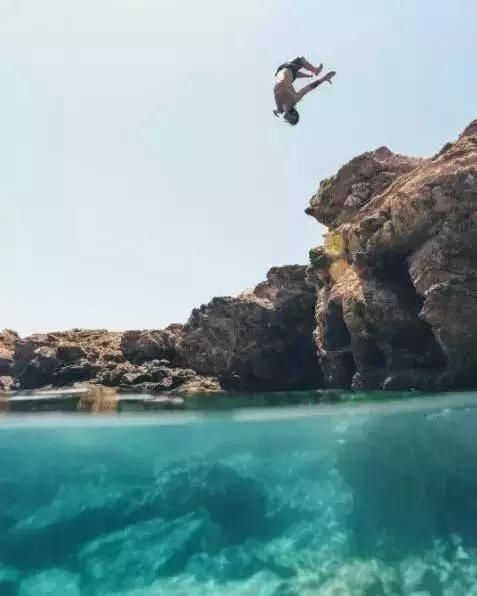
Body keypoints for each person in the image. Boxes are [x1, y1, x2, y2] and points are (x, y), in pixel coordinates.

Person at [273, 56, 336, 125]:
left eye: (290, 121)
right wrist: (323, 79)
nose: (288, 120)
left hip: (283, 73)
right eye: (290, 120)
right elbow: (308, 88)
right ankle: (315, 71)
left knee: (299, 62)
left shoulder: (280, 109)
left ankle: (312, 72)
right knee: (301, 60)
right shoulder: (294, 99)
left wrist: (276, 111)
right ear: (292, 114)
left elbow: (277, 110)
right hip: (288, 72)